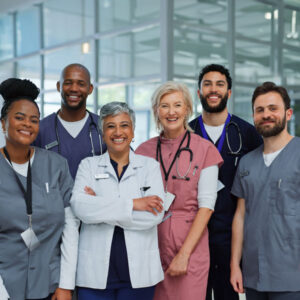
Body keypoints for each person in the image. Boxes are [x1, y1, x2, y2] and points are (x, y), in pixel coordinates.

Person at [136, 82, 223, 300]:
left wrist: (184, 255)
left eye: (177, 105)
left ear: (187, 109)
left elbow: (207, 206)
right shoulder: (143, 151)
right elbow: (131, 197)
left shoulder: (205, 150)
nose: (171, 112)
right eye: (164, 106)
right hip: (151, 244)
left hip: (190, 248)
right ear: (156, 110)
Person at [70, 102, 165, 300]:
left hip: (139, 276)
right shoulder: (88, 165)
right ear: (102, 133)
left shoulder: (150, 167)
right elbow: (80, 207)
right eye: (110, 126)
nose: (118, 132)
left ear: (132, 131)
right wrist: (134, 204)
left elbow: (154, 217)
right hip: (94, 277)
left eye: (124, 125)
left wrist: (100, 205)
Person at [0, 78, 79, 300]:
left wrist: (65, 285)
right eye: (19, 118)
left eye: (34, 120)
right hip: (6, 287)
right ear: (3, 123)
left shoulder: (56, 165)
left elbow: (70, 227)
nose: (27, 124)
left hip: (51, 286)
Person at [189, 64, 262, 300]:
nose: (213, 89)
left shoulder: (247, 134)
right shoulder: (186, 133)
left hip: (232, 237)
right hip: (194, 236)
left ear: (229, 92)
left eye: (220, 84)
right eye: (207, 84)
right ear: (199, 91)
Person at [230, 82, 300, 300]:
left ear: (288, 114)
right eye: (260, 110)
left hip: (292, 274)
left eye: (273, 108)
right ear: (253, 116)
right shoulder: (246, 163)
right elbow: (240, 216)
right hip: (254, 274)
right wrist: (234, 265)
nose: (266, 114)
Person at [33, 63, 106, 179]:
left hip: (95, 196)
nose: (74, 89)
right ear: (58, 86)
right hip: (53, 197)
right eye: (68, 83)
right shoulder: (40, 129)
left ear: (90, 89)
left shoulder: (105, 126)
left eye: (81, 84)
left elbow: (124, 163)